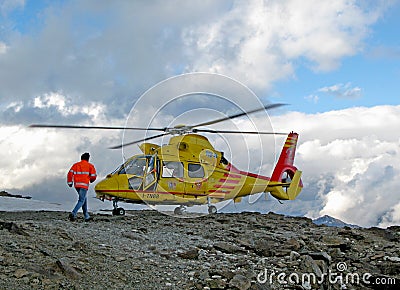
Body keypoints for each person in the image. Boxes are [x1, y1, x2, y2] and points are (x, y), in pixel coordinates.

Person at [67, 152, 97, 222]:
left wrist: (70, 182)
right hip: (84, 186)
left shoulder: (76, 165)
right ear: (88, 159)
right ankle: (73, 213)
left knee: (84, 199)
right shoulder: (90, 166)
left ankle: (86, 216)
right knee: (81, 200)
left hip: (77, 185)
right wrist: (91, 180)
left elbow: (70, 174)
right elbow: (93, 176)